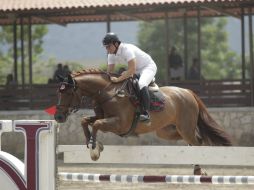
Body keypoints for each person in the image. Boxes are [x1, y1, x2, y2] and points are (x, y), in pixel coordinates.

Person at [102, 32, 157, 122]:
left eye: (108, 46)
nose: (107, 49)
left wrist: (118, 79)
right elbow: (109, 73)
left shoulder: (126, 49)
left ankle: (146, 114)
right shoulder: (111, 54)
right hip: (135, 70)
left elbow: (131, 70)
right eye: (106, 47)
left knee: (141, 83)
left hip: (147, 67)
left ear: (116, 44)